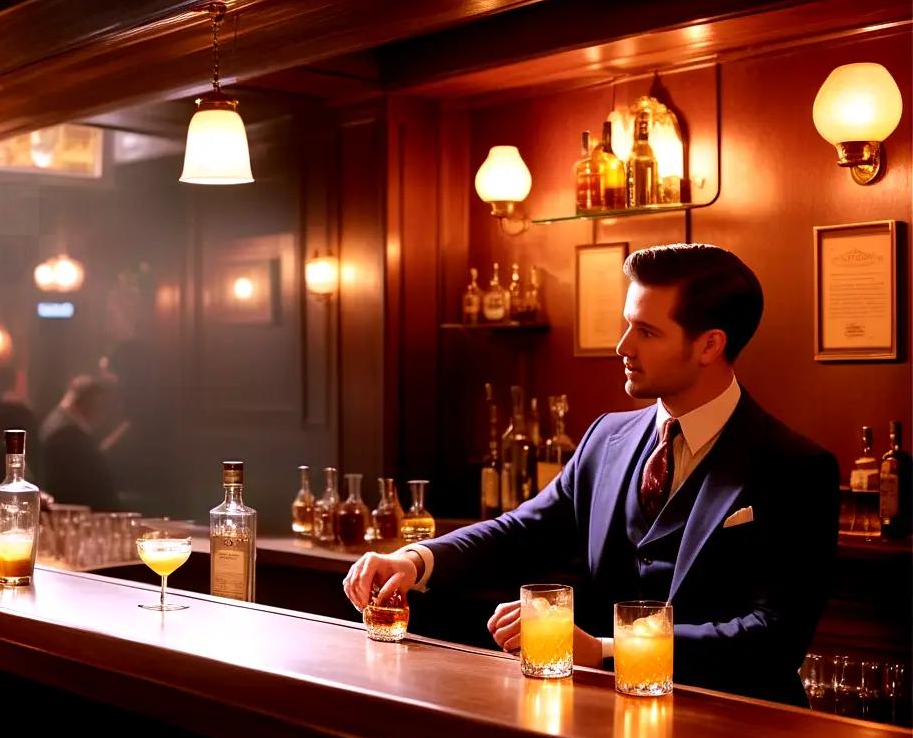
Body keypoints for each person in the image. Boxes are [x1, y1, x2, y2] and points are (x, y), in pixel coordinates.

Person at [344, 244, 839, 704]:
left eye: (646, 332)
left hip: (740, 728)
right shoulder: (607, 437)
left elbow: (772, 636)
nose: (622, 346)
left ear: (709, 345)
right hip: (604, 721)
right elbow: (521, 529)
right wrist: (415, 559)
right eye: (627, 325)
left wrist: (605, 649)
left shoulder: (796, 468)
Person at [39, 374, 121, 510]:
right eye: (101, 405)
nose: (103, 413)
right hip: (77, 515)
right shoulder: (68, 435)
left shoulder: (59, 424)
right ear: (90, 402)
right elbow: (95, 490)